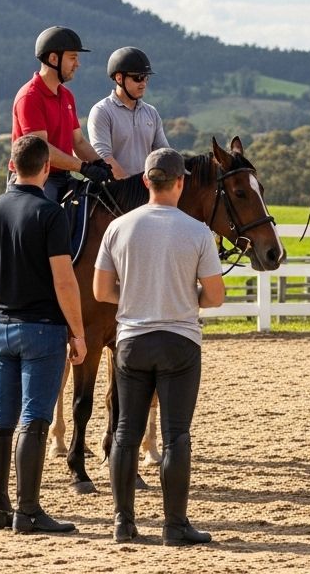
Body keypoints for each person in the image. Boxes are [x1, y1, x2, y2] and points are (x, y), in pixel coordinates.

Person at [94, 148, 225, 546]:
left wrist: (139, 295)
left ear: (146, 181)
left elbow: (101, 291)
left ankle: (123, 522)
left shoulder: (118, 227)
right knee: (176, 435)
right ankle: (174, 525)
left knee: (125, 433)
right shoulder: (197, 232)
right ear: (181, 182)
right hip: (179, 341)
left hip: (132, 341)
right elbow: (215, 296)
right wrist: (182, 297)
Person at [0, 135, 88, 534]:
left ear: (11, 166)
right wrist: (77, 332)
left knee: (0, 418)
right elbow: (64, 281)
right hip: (43, 328)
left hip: (2, 327)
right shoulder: (50, 213)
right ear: (46, 168)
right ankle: (29, 510)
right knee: (34, 419)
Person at [12, 25, 114, 202]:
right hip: (34, 179)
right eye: (73, 58)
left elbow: (78, 142)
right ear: (53, 58)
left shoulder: (66, 95)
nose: (77, 64)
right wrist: (83, 168)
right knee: (48, 215)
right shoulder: (30, 97)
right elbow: (41, 150)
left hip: (63, 176)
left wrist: (100, 163)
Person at [87, 46, 170, 180]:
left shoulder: (151, 113)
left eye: (146, 78)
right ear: (119, 78)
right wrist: (132, 186)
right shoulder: (101, 111)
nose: (143, 84)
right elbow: (104, 156)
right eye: (138, 78)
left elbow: (164, 153)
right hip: (115, 188)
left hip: (146, 188)